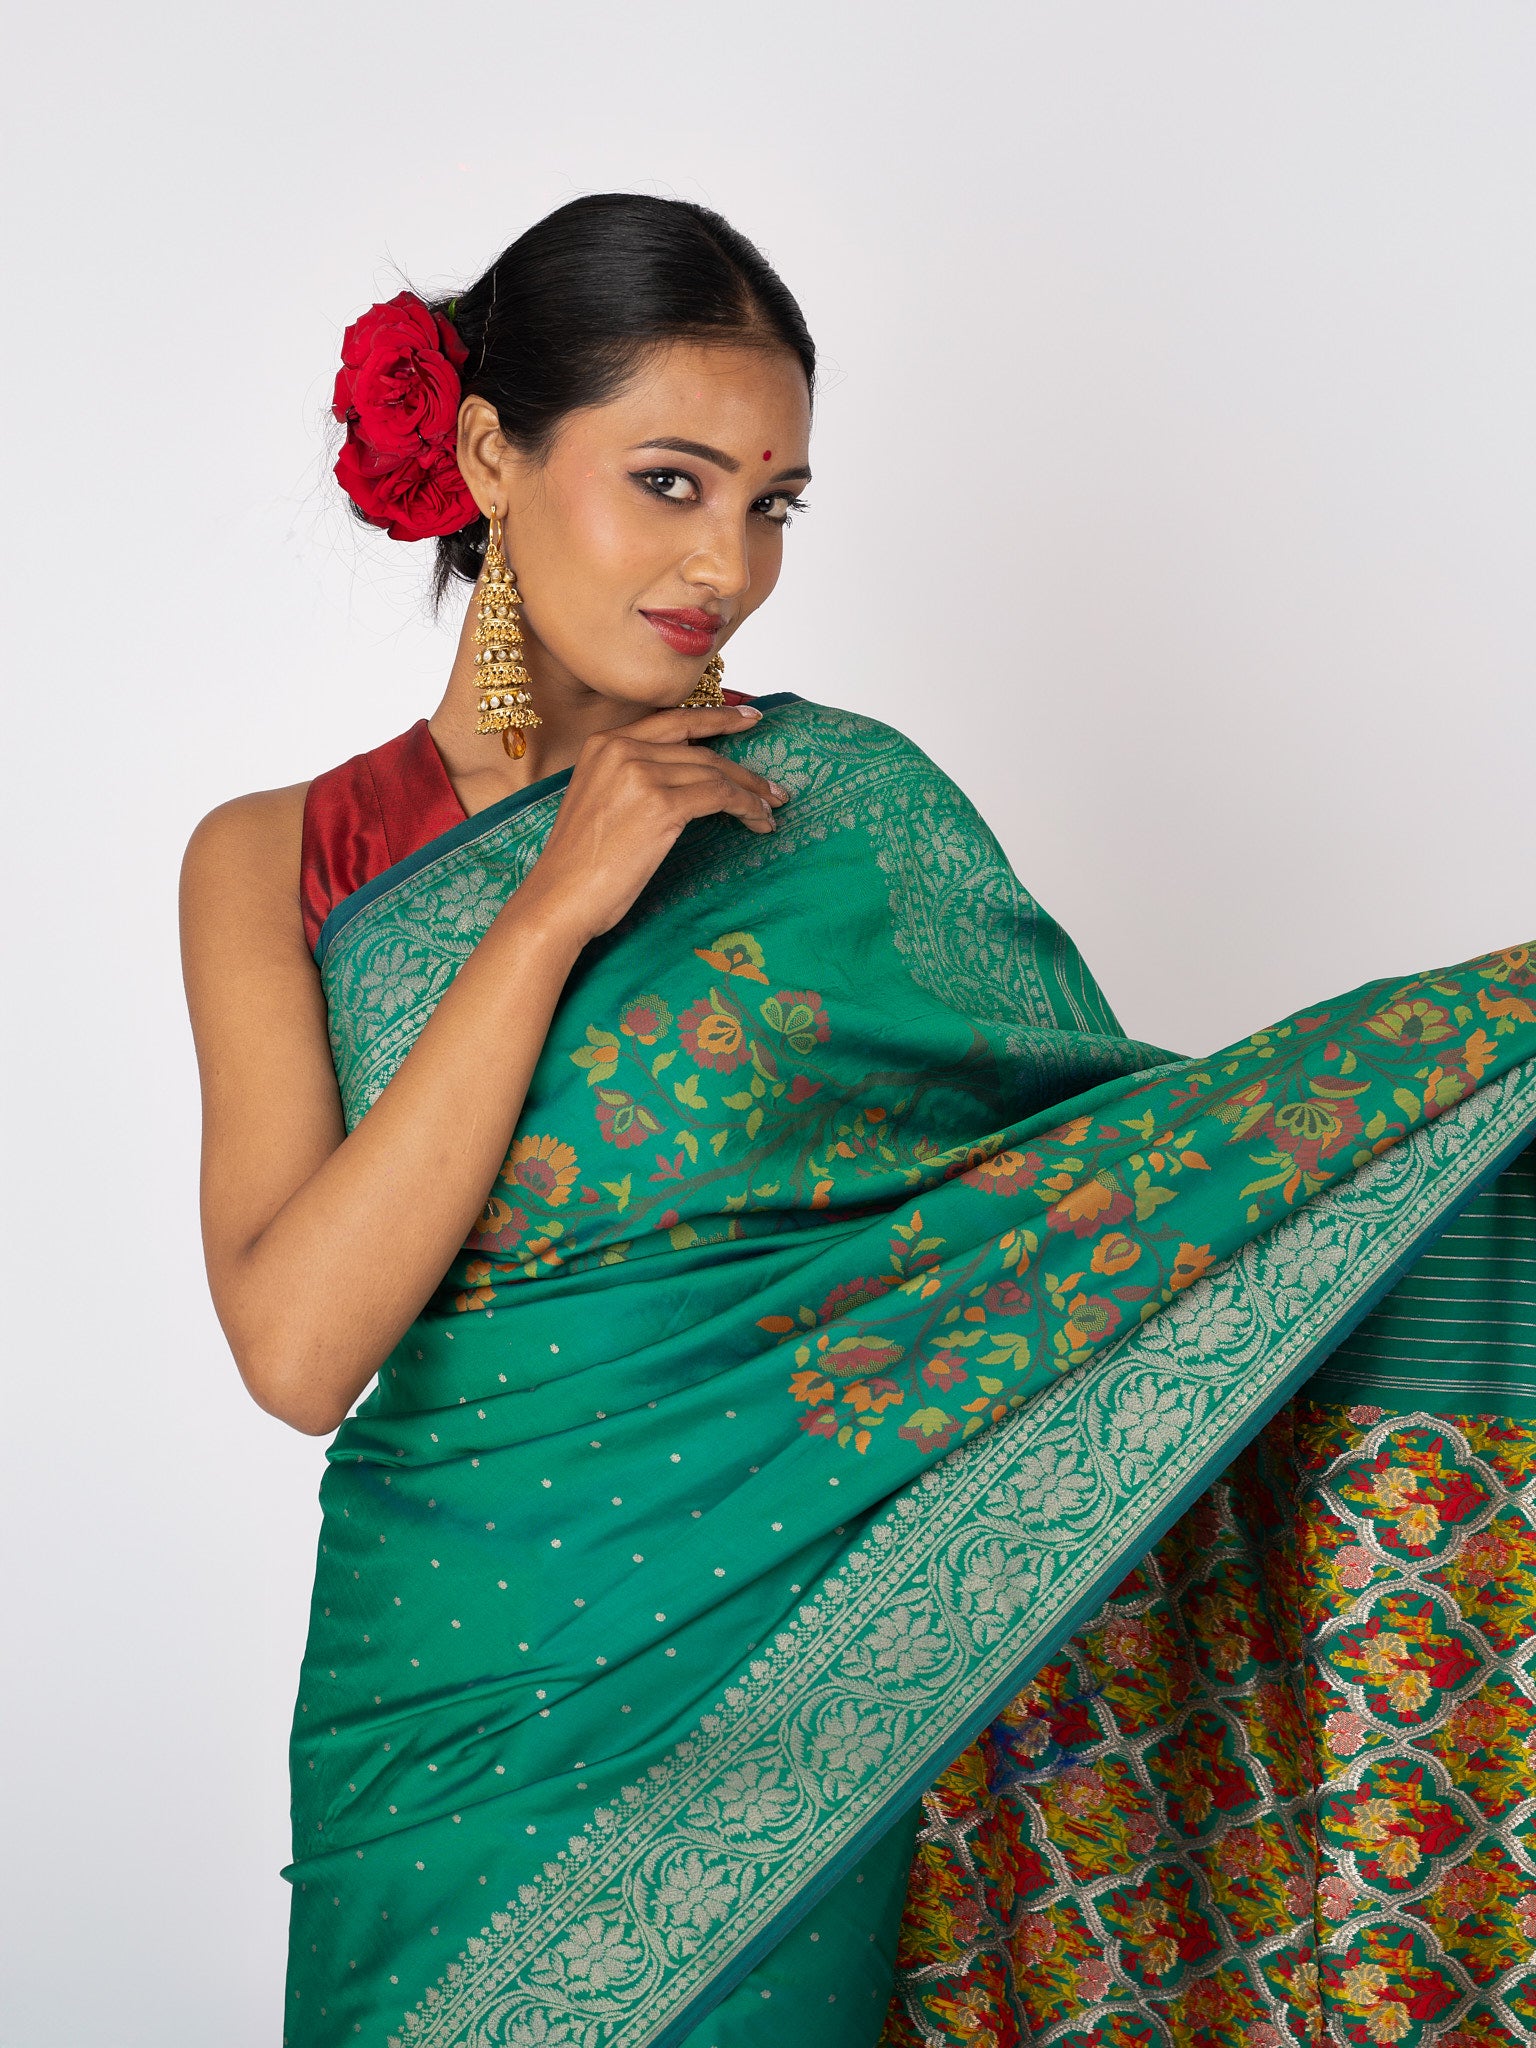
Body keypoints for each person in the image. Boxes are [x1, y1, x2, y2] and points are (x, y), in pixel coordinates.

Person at [180, 194, 1536, 2048]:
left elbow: (1108, 1205)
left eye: (774, 504)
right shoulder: (275, 860)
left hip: (809, 1698)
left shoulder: (848, 807)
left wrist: (1489, 1056)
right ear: (492, 454)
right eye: (671, 482)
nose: (724, 564)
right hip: (452, 1713)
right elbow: (294, 1345)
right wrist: (553, 907)